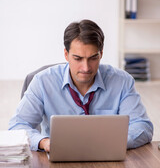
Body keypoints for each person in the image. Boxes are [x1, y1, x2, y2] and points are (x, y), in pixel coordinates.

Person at [9, 19, 153, 152]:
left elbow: (142, 126)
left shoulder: (122, 81)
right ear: (66, 54)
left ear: (101, 54)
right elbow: (18, 126)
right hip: (58, 159)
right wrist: (44, 142)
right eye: (78, 58)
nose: (86, 68)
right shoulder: (42, 81)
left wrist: (113, 143)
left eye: (93, 58)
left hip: (108, 158)